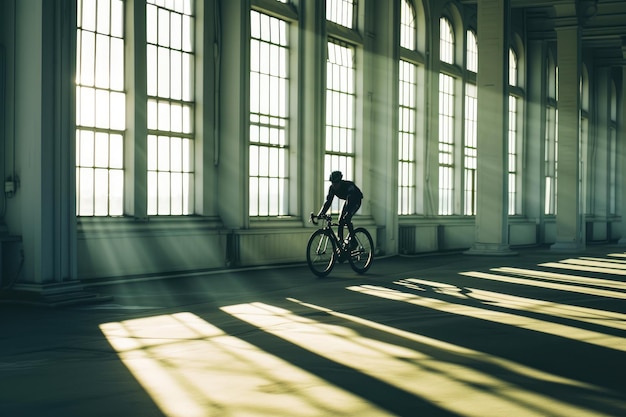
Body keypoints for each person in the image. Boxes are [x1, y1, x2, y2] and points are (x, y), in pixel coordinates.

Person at [316, 171, 363, 248]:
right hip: (348, 200)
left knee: (346, 218)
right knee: (340, 219)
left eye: (336, 183)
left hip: (355, 199)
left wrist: (348, 213)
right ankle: (340, 241)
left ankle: (353, 241)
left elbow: (350, 201)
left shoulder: (348, 186)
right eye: (333, 183)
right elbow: (328, 202)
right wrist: (321, 214)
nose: (334, 185)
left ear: (340, 181)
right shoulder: (332, 188)